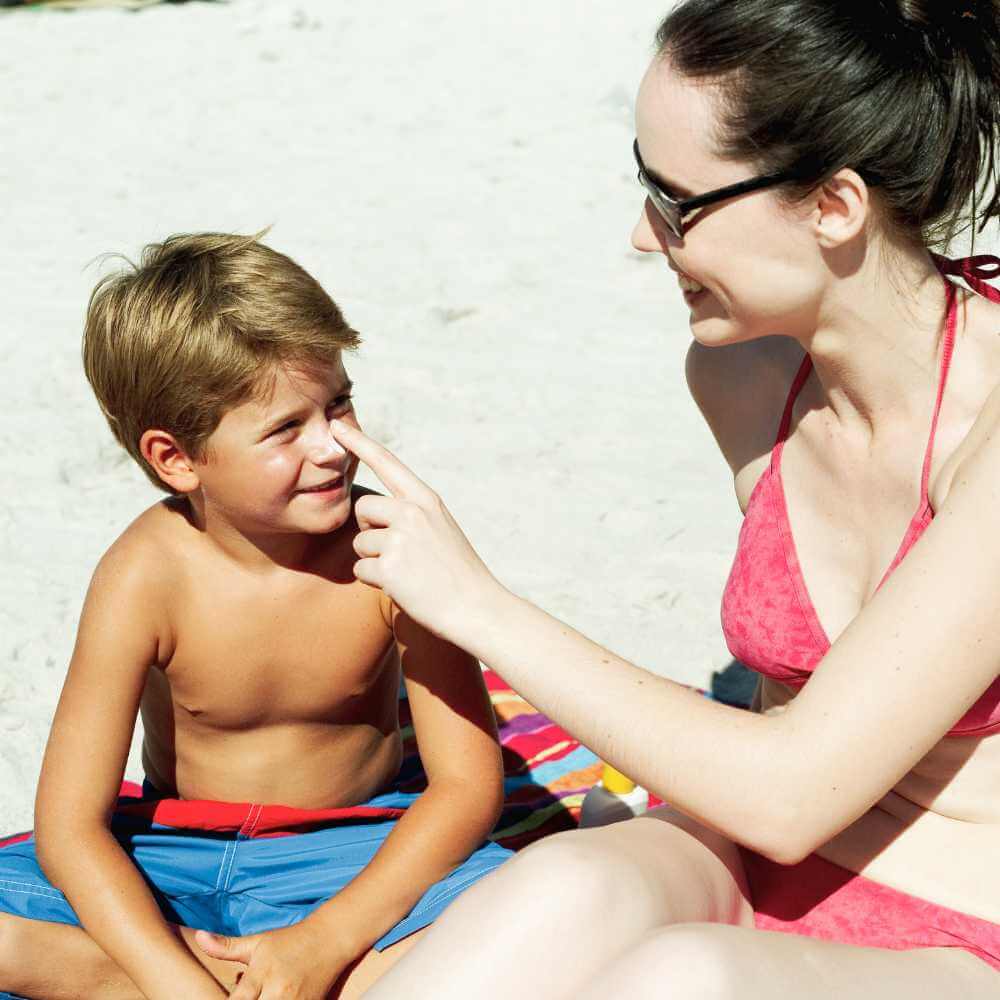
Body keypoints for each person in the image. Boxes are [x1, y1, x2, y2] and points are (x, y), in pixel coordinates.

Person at [327, 2, 1000, 996]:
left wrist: (476, 604)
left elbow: (788, 791)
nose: (644, 238)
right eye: (645, 184)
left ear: (833, 205)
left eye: (678, 202)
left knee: (686, 976)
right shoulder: (744, 377)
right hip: (747, 855)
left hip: (961, 930)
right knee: (554, 891)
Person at [0, 232, 511, 1000]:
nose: (333, 448)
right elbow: (72, 825)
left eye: (337, 406)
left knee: (525, 913)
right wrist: (176, 984)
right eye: (284, 430)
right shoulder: (146, 574)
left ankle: (208, 978)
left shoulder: (390, 554)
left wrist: (324, 939)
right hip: (168, 849)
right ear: (176, 459)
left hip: (354, 850)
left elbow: (467, 787)